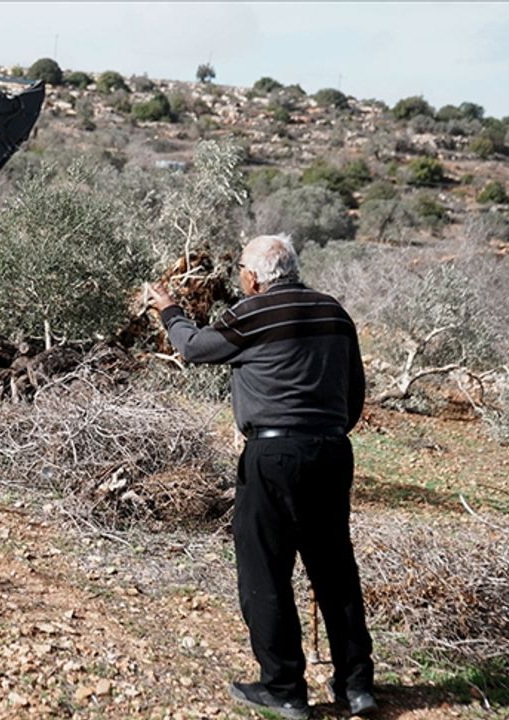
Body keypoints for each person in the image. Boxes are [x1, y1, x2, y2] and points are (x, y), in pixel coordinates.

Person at [147, 234, 376, 719]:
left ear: (252, 277)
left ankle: (284, 688)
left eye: (241, 273)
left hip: (272, 454)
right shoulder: (334, 312)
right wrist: (326, 430)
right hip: (332, 450)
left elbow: (193, 347)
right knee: (334, 567)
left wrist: (169, 310)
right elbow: (354, 392)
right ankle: (356, 685)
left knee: (265, 569)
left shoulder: (253, 313)